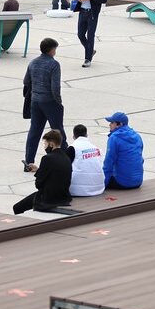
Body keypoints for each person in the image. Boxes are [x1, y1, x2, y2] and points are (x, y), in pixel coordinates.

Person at [23, 38, 65, 172]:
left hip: (35, 101)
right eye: (55, 49)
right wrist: (59, 102)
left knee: (34, 131)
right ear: (51, 50)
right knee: (58, 131)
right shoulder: (54, 65)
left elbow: (26, 81)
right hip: (50, 101)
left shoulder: (33, 62)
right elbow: (55, 88)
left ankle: (29, 161)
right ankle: (66, 160)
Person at [14, 130, 72, 214]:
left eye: (45, 144)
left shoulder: (47, 158)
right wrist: (38, 170)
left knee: (17, 207)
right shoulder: (66, 157)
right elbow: (56, 173)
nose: (45, 147)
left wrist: (40, 172)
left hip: (48, 199)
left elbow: (38, 184)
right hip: (64, 197)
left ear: (51, 144)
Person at [102, 112, 144, 190]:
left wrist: (103, 184)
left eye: (112, 122)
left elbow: (109, 162)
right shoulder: (137, 136)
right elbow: (140, 158)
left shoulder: (114, 137)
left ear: (119, 124)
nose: (109, 125)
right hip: (138, 181)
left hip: (122, 183)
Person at [76, 0, 106, 68]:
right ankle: (90, 50)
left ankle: (87, 59)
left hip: (92, 13)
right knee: (80, 34)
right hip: (82, 11)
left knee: (90, 35)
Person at [67, 125, 105, 198]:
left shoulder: (73, 148)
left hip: (77, 190)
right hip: (98, 188)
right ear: (86, 135)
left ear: (73, 137)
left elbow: (64, 166)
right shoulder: (96, 148)